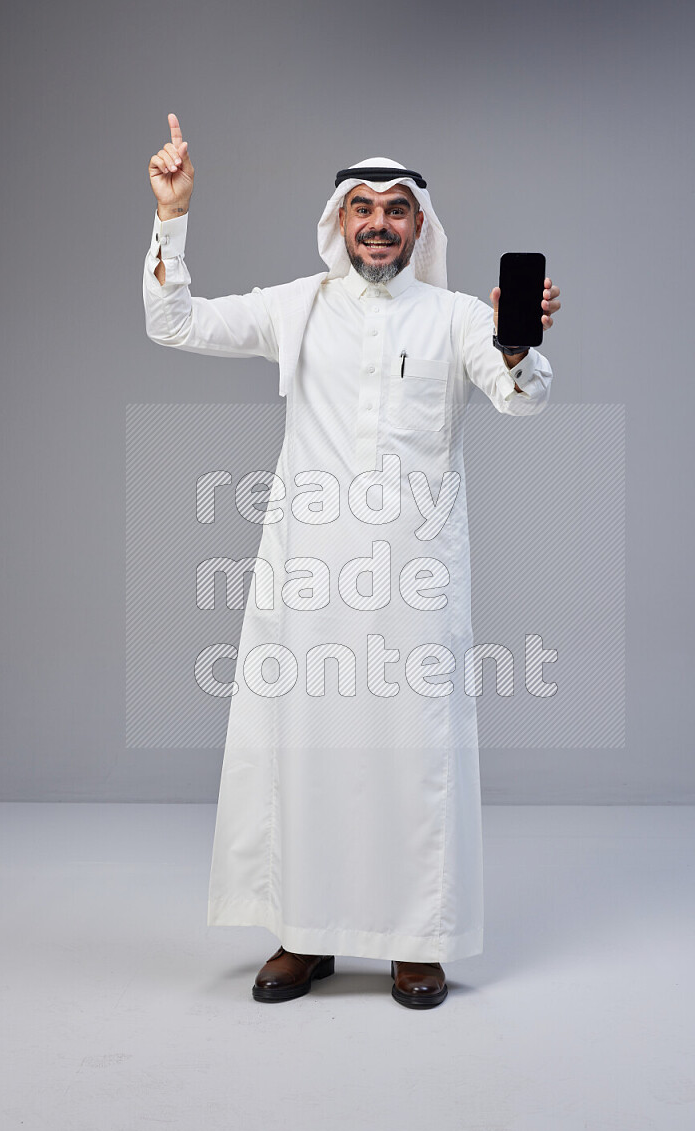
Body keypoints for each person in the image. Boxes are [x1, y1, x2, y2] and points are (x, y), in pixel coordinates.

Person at [144, 113, 561, 1010]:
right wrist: (173, 214)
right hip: (309, 577)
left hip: (416, 579)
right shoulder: (296, 306)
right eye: (363, 208)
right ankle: (305, 932)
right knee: (308, 752)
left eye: (397, 210)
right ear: (338, 221)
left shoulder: (455, 318)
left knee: (414, 755)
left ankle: (418, 941)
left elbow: (519, 399)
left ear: (421, 227)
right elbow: (174, 323)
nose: (378, 223)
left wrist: (518, 345)